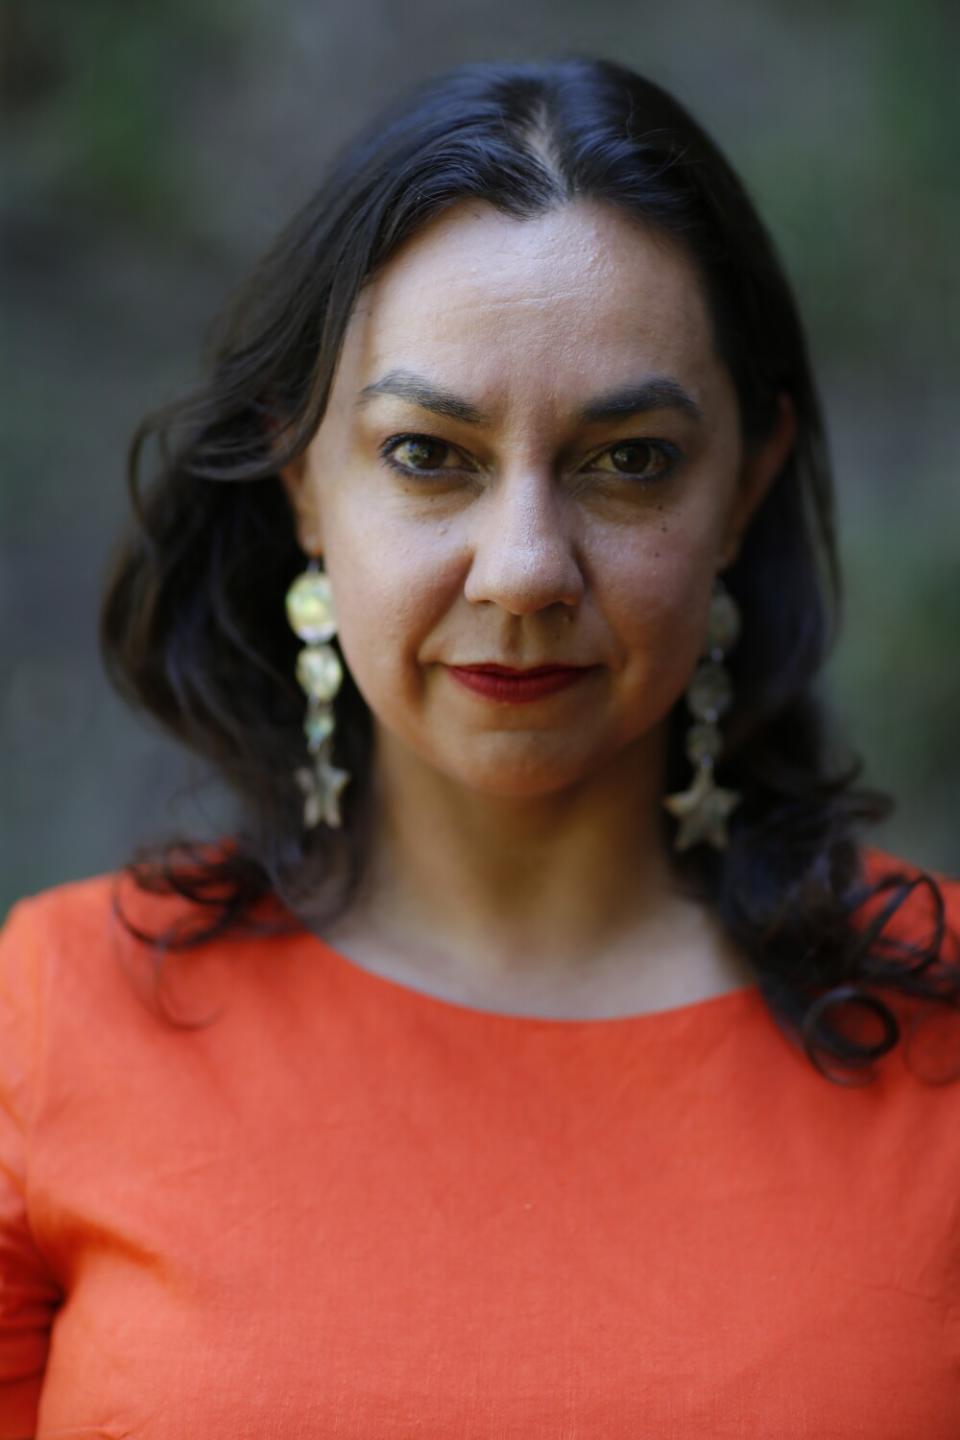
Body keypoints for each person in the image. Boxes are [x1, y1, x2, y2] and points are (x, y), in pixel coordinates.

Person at [1, 55, 958, 1439]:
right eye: (427, 454)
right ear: (301, 483)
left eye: (626, 460)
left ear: (745, 483)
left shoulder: (938, 1032)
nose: (523, 568)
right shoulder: (51, 1025)